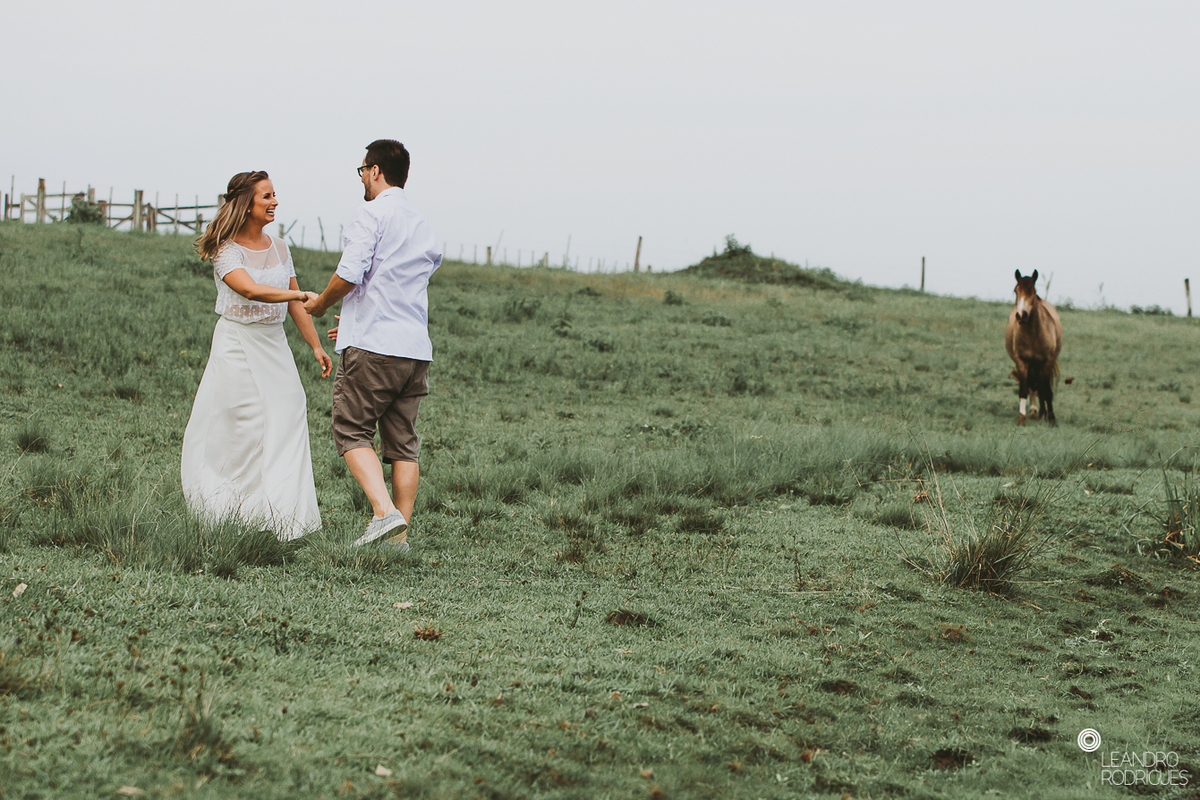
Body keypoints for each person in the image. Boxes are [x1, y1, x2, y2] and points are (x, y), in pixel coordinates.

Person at [303, 140, 441, 550]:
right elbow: (400, 283)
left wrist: (323, 304)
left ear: (376, 170)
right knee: (403, 444)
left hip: (374, 345)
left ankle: (383, 514)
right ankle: (399, 539)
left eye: (363, 169)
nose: (362, 177)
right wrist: (358, 314)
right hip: (414, 348)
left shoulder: (371, 212)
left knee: (351, 429)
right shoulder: (422, 223)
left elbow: (351, 271)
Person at [182, 171, 332, 541]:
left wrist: (314, 346)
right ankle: (229, 507)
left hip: (274, 344)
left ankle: (283, 516)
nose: (274, 202)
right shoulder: (225, 248)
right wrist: (297, 297)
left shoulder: (281, 248)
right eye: (266, 196)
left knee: (290, 409)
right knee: (244, 423)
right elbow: (250, 290)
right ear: (247, 204)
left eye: (274, 194)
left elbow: (295, 303)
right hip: (237, 343)